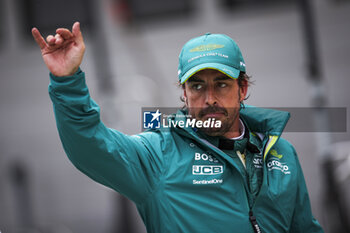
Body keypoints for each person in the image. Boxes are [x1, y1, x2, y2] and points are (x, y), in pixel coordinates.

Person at [32, 22, 324, 233]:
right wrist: (67, 83)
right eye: (197, 86)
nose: (209, 99)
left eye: (221, 84)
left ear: (242, 88)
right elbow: (91, 146)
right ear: (183, 93)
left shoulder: (281, 153)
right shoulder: (158, 154)